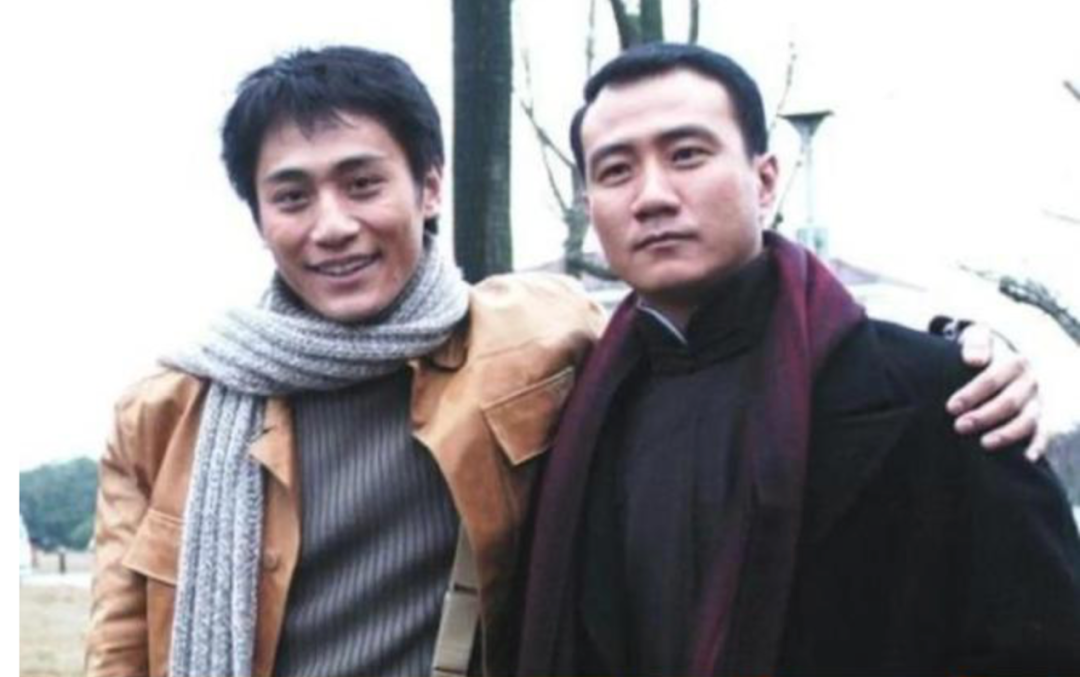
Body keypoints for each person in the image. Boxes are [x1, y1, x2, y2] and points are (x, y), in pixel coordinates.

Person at [86, 45, 1042, 677]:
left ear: (429, 188)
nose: (332, 225)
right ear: (259, 217)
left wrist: (972, 345)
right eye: (292, 196)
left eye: (363, 182)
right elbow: (119, 649)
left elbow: (789, 335)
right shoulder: (167, 412)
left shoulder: (530, 344)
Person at [516, 43, 1080, 675]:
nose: (652, 196)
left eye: (686, 155)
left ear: (764, 181)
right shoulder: (564, 415)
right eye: (616, 170)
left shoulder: (951, 396)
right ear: (590, 205)